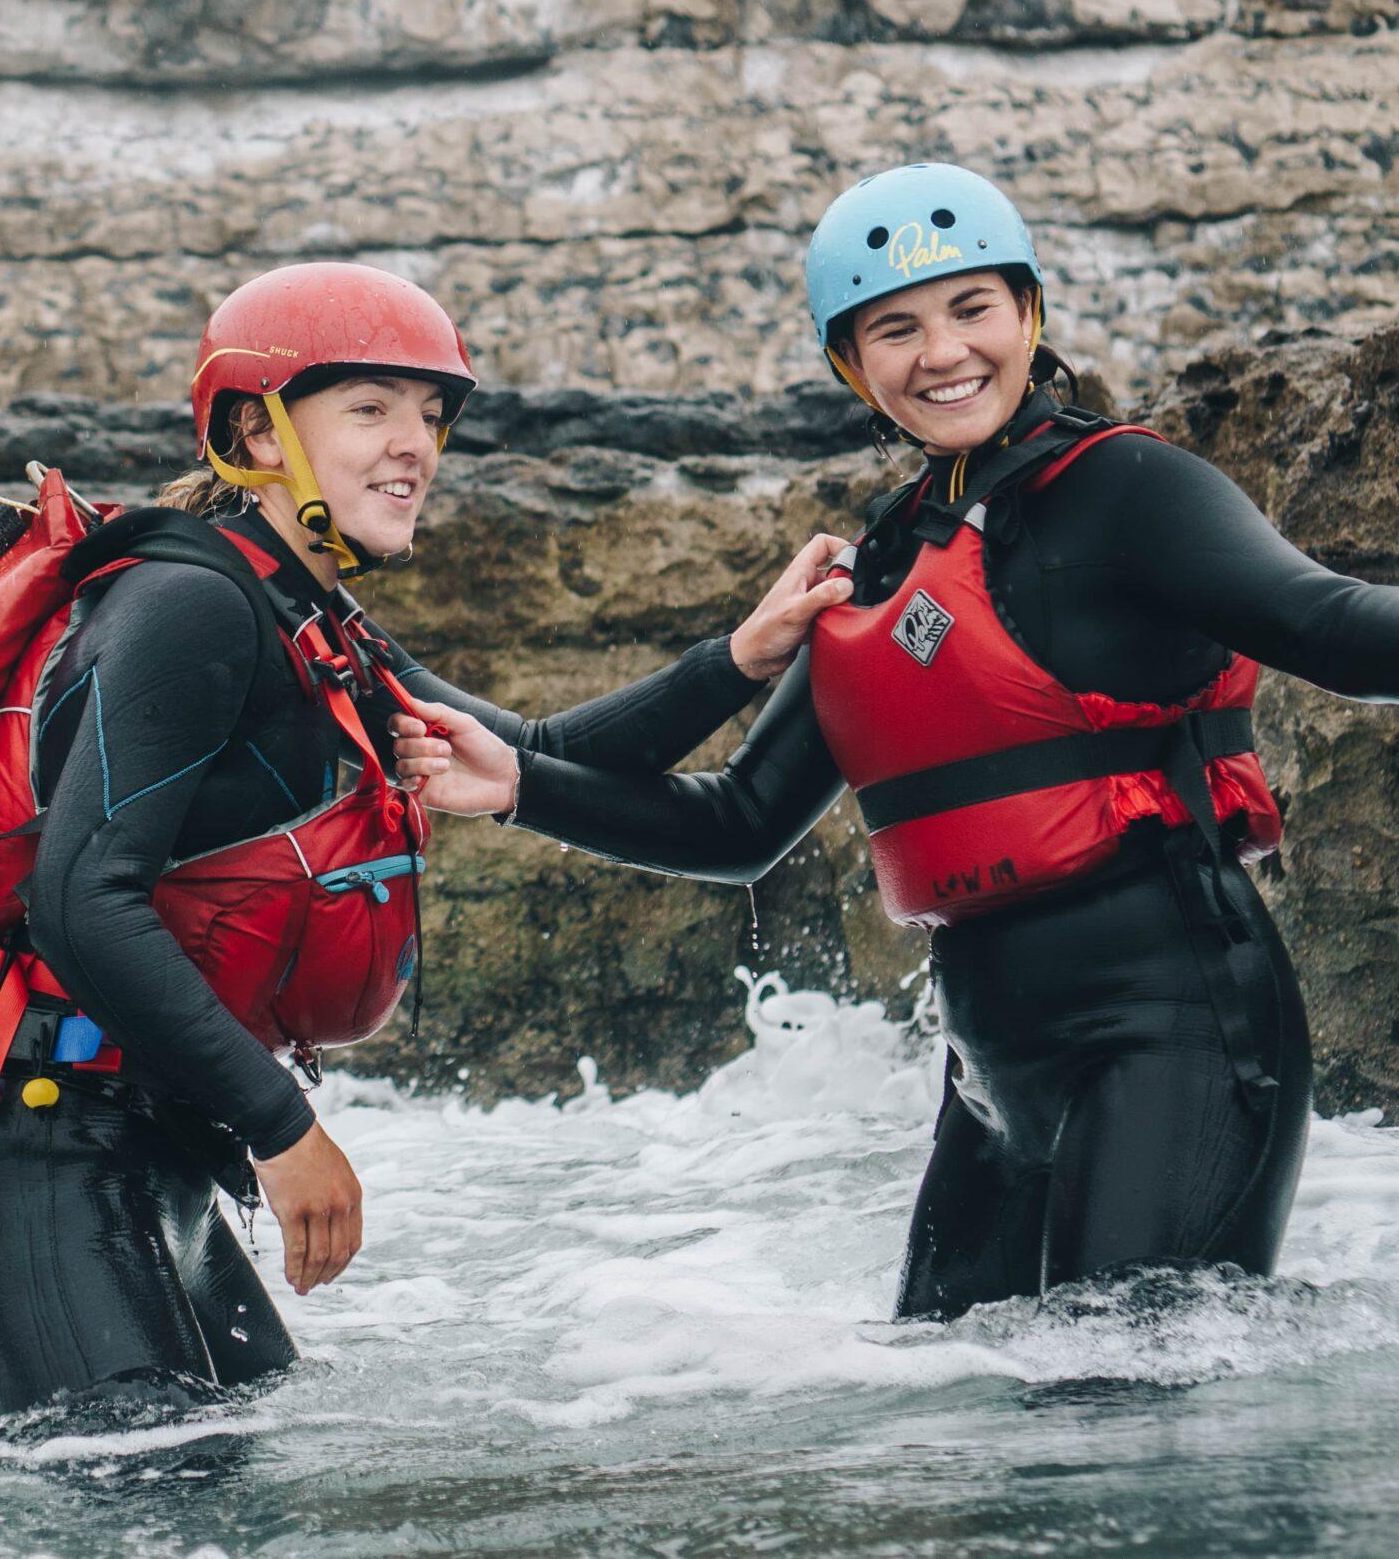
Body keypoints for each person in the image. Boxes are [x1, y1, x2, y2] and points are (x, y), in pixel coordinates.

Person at [409, 161, 1399, 1319]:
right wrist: (518, 786)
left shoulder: (1131, 489)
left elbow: (1332, 626)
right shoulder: (883, 560)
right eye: (896, 327)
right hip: (990, 1072)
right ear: (849, 364)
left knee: (1129, 1420)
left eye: (972, 309)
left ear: (1028, 313)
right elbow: (740, 823)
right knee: (964, 1426)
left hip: (1176, 1036)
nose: (943, 353)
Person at [0, 262, 847, 1427]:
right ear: (255, 430)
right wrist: (285, 1128)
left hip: (154, 1140)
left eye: (431, 414)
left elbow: (534, 751)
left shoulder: (313, 615)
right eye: (369, 408)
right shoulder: (187, 606)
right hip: (46, 1150)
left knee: (234, 1490)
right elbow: (83, 897)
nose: (416, 446)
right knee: (150, 1505)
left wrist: (740, 658)